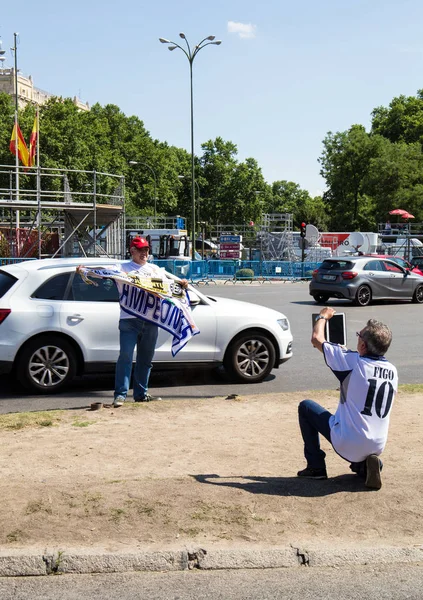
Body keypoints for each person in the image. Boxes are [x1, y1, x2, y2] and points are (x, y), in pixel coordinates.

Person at [78, 237, 188, 407]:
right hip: (129, 320)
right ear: (132, 251)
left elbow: (171, 287)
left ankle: (141, 394)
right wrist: (85, 271)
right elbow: (102, 272)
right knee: (126, 356)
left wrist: (181, 285)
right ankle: (120, 395)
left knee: (146, 359)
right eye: (141, 250)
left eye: (146, 250)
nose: (144, 253)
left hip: (151, 320)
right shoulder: (121, 268)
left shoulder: (155, 270)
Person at [297, 308, 398, 490]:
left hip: (349, 442)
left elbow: (316, 339)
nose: (357, 337)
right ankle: (367, 466)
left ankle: (316, 467)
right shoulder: (393, 371)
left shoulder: (353, 363)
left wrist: (323, 316)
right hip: (376, 443)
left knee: (306, 407)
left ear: (363, 346)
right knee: (357, 436)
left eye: (359, 335)